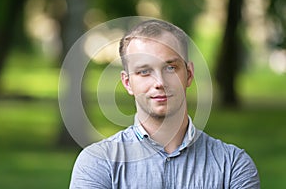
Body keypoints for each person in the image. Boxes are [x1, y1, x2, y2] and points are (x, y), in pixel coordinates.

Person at [69, 19, 260, 189]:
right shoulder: (97, 163)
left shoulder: (233, 165)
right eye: (144, 71)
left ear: (189, 74)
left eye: (170, 68)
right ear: (128, 83)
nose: (159, 82)